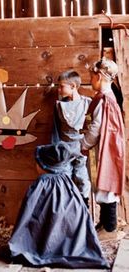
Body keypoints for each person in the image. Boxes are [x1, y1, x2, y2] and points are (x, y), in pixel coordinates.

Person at [8, 142, 109, 269]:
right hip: (70, 239)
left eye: (37, 162)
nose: (35, 165)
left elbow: (28, 211)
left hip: (44, 237)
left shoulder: (42, 182)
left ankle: (43, 248)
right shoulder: (68, 182)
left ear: (45, 164)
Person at [81, 57, 125, 239]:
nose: (90, 80)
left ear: (99, 76)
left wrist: (82, 144)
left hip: (105, 146)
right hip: (103, 145)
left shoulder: (105, 100)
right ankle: (104, 223)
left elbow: (96, 128)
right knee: (99, 182)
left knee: (104, 183)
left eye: (91, 76)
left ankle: (110, 228)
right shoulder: (104, 98)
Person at [51, 70, 91, 204]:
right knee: (64, 178)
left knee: (82, 178)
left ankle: (83, 209)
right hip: (65, 148)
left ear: (73, 86)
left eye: (62, 86)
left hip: (81, 148)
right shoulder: (59, 106)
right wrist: (55, 147)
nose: (59, 89)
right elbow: (56, 129)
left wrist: (88, 145)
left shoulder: (87, 103)